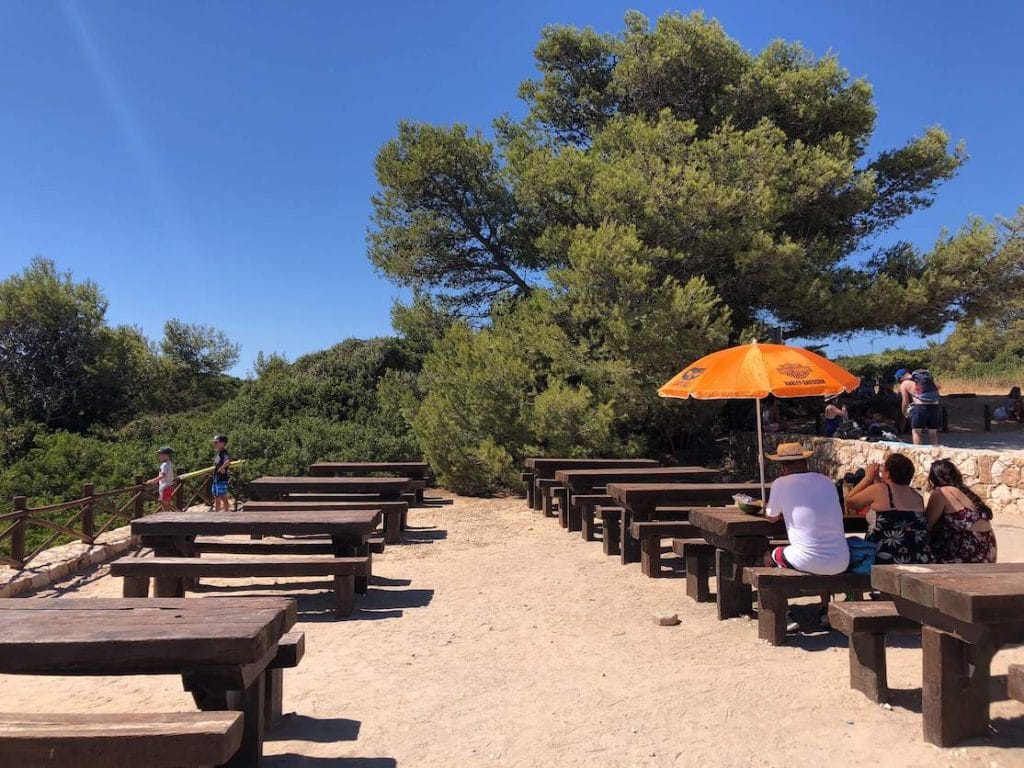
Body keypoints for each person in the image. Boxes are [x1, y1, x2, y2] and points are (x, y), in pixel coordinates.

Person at [762, 442, 850, 631]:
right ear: (804, 462)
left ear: (783, 467)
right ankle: (825, 608)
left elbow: (771, 517)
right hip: (841, 559)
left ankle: (781, 614)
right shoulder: (826, 481)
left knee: (768, 558)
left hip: (808, 559)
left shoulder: (781, 483)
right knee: (817, 547)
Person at [845, 453, 931, 565]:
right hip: (916, 555)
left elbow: (850, 501)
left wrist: (868, 478)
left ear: (888, 473)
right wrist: (877, 481)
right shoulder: (917, 497)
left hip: (885, 555)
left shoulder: (880, 489)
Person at [925, 459, 997, 563]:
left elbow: (927, 525)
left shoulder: (942, 492)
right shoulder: (966, 493)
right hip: (987, 552)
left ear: (933, 479)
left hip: (966, 553)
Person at [896, 367, 941, 446]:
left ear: (900, 378)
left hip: (920, 407)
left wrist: (904, 412)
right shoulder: (923, 379)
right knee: (933, 432)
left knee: (916, 432)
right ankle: (935, 452)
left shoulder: (904, 384)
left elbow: (905, 401)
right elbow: (938, 387)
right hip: (934, 406)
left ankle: (917, 452)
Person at [148, 446, 176, 511]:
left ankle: (166, 518)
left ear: (166, 455)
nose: (159, 456)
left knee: (164, 504)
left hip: (164, 487)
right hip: (169, 485)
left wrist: (152, 481)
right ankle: (167, 517)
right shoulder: (170, 463)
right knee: (166, 503)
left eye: (161, 454)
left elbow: (162, 475)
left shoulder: (164, 465)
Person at [212, 434, 231, 512]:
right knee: (216, 496)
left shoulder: (224, 453)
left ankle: (226, 512)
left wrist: (222, 467)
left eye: (217, 442)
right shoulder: (218, 453)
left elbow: (228, 460)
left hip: (222, 478)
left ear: (222, 443)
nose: (215, 444)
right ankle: (217, 513)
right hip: (216, 478)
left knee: (223, 496)